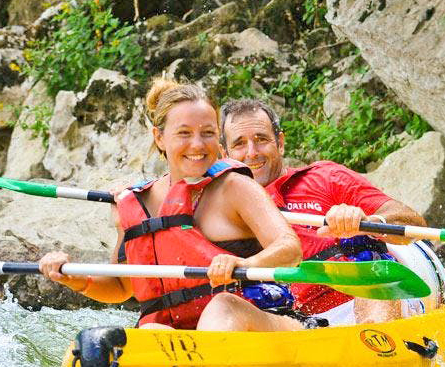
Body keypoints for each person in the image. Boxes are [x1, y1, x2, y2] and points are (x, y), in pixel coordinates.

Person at [39, 80, 306, 331]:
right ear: (159, 138)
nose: (198, 145)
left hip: (262, 323)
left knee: (222, 307)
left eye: (208, 133)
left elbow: (290, 248)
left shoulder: (235, 186)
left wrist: (245, 262)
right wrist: (71, 277)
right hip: (184, 342)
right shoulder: (136, 203)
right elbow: (121, 286)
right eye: (184, 134)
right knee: (151, 330)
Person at [220, 98, 445, 325]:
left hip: (365, 304)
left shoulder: (324, 177)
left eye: (261, 139)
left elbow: (415, 225)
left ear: (280, 143)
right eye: (239, 144)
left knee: (371, 283)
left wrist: (369, 222)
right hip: (296, 325)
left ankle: (378, 351)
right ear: (224, 154)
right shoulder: (216, 212)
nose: (251, 152)